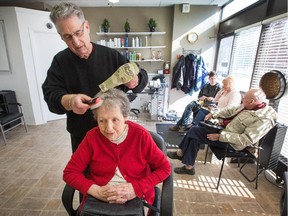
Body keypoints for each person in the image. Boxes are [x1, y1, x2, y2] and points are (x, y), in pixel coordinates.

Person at [42, 2, 148, 153]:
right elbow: (51, 96)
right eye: (67, 37)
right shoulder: (60, 62)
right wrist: (71, 101)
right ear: (61, 37)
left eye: (78, 32)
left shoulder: (111, 56)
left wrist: (134, 80)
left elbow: (141, 77)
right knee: (85, 175)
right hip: (82, 139)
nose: (76, 42)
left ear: (86, 26)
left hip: (115, 136)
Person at [63, 88, 171, 215]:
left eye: (115, 120)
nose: (108, 128)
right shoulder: (92, 137)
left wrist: (135, 189)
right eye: (102, 121)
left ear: (125, 117)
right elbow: (70, 172)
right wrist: (95, 190)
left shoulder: (140, 136)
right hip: (99, 199)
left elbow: (164, 168)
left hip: (136, 198)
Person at [167, 88, 277, 175]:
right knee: (196, 134)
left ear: (252, 101)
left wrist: (220, 136)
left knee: (195, 131)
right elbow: (230, 110)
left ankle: (182, 155)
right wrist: (214, 114)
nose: (242, 100)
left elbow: (245, 139)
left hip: (233, 144)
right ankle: (188, 166)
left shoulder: (263, 119)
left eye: (244, 98)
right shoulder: (248, 106)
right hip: (225, 131)